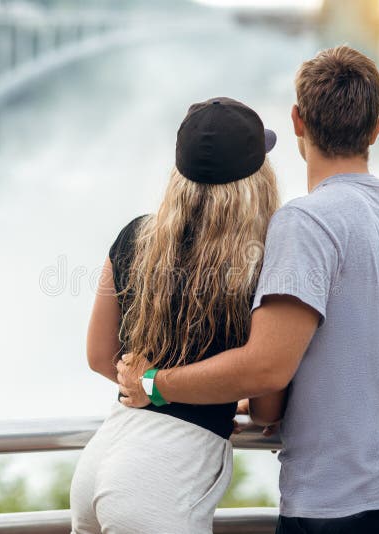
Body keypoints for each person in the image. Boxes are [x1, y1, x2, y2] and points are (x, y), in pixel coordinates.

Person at [118, 46, 379, 534]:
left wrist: (154, 385)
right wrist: (344, 393)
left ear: (297, 121)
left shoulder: (304, 221)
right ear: (376, 129)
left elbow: (268, 366)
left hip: (337, 502)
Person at [70, 97, 281, 533]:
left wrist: (152, 386)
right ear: (254, 183)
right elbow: (265, 404)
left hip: (102, 458)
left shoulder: (134, 237)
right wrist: (207, 391)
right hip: (160, 481)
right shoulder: (259, 266)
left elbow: (98, 355)